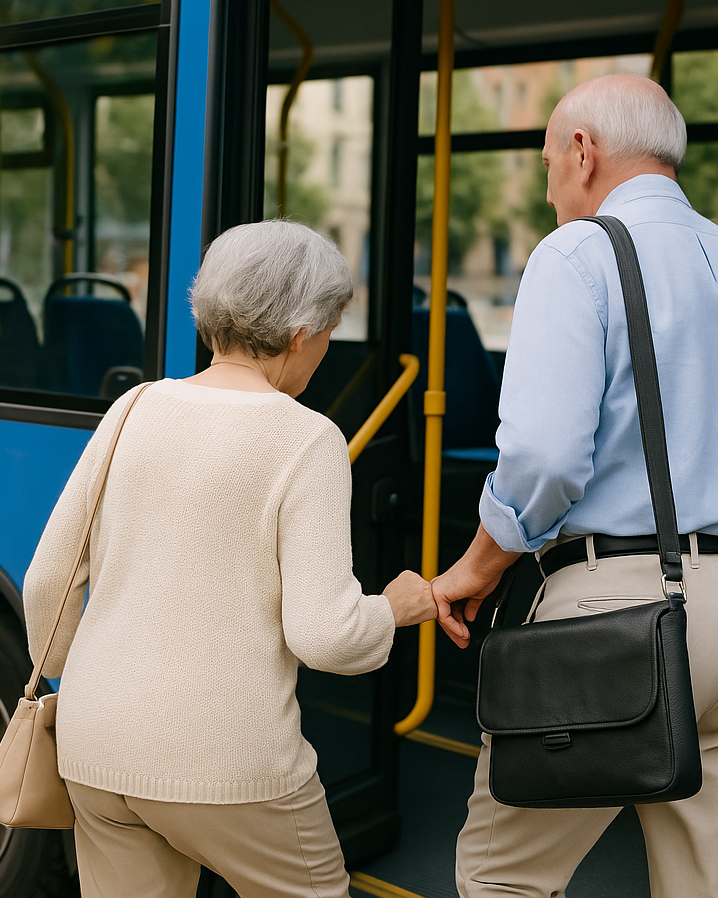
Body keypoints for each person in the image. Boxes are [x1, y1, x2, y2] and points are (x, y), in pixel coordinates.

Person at [430, 73, 718, 898]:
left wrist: (477, 566)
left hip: (612, 602)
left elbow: (543, 458)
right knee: (712, 886)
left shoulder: (577, 255)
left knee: (504, 878)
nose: (549, 192)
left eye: (547, 164)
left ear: (583, 152)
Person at [23, 220, 436, 898]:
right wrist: (396, 607)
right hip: (229, 765)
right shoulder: (307, 439)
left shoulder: (134, 406)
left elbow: (47, 581)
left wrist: (88, 676)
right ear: (302, 334)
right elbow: (325, 635)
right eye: (330, 332)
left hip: (93, 747)